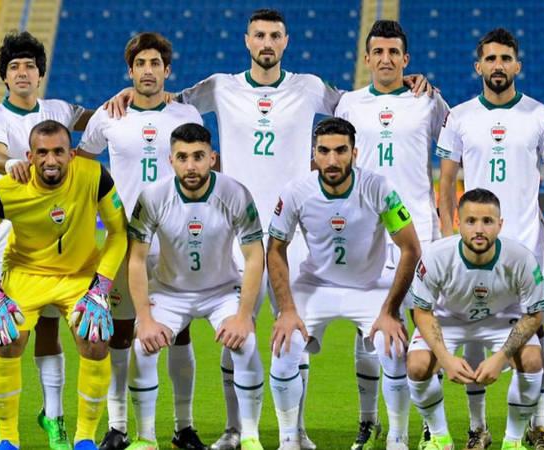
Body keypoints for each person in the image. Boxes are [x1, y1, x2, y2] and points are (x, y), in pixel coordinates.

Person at [104, 9, 431, 449]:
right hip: (235, 232)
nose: (267, 43)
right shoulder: (220, 86)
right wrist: (132, 92)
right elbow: (168, 98)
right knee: (234, 333)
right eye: (259, 35)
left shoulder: (310, 87)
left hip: (292, 236)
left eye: (275, 36)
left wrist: (405, 83)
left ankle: (295, 433)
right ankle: (235, 430)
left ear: (285, 41)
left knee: (292, 335)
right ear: (247, 40)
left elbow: (359, 101)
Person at [437, 28, 544, 449]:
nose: (498, 66)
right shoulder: (459, 116)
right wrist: (448, 238)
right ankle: (478, 428)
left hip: (528, 247)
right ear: (478, 66)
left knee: (535, 339)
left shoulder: (541, 115)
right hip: (475, 247)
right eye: (491, 59)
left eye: (506, 58)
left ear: (518, 65)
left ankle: (538, 426)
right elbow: (446, 184)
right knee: (474, 333)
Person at [0, 120, 128, 450]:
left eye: (58, 152)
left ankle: (84, 439)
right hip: (26, 274)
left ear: (72, 154)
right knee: (5, 340)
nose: (51, 160)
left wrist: (100, 288)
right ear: (30, 156)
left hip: (79, 275)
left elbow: (118, 231)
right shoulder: (6, 189)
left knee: (96, 341)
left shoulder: (94, 176)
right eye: (42, 153)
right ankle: (7, 439)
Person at [77, 32, 205, 450]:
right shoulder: (109, 115)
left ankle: (183, 427)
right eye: (140, 64)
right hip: (125, 241)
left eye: (155, 64)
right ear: (129, 71)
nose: (148, 71)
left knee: (179, 333)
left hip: (175, 241)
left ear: (168, 71)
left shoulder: (186, 115)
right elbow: (82, 163)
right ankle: (118, 427)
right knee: (119, 333)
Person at [267, 117, 420, 450]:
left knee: (393, 348)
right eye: (324, 151)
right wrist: (287, 310)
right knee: (285, 346)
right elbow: (275, 249)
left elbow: (410, 248)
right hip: (316, 285)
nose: (332, 160)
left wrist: (390, 311)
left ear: (355, 153)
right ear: (314, 154)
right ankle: (290, 439)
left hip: (370, 286)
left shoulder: (378, 188)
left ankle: (397, 438)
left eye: (340, 151)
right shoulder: (296, 192)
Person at [334, 19, 449, 449]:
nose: (386, 59)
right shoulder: (349, 104)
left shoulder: (427, 100)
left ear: (406, 59)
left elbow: (457, 144)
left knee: (423, 328)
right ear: (367, 59)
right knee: (368, 330)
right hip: (365, 234)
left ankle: (429, 424)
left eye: (393, 52)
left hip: (420, 232)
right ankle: (370, 422)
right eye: (378, 52)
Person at [0, 30, 92, 450]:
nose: (22, 72)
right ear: (5, 77)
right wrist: (11, 164)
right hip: (6, 240)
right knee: (2, 329)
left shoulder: (59, 109)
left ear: (40, 74)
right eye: (14, 67)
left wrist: (126, 102)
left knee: (49, 327)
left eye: (29, 66)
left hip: (54, 236)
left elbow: (97, 120)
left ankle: (53, 417)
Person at [125, 123, 265, 450]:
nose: (191, 166)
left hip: (221, 291)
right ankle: (146, 438)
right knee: (142, 347)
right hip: (169, 291)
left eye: (199, 157)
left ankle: (249, 436)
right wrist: (144, 319)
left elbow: (254, 256)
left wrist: (243, 316)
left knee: (245, 343)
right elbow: (136, 260)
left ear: (212, 158)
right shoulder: (152, 197)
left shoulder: (235, 193)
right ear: (170, 160)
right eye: (183, 157)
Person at [407, 188, 544, 450]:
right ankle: (439, 437)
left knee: (532, 359)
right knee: (417, 365)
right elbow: (422, 311)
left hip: (501, 318)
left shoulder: (521, 258)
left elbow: (534, 315)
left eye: (487, 221)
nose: (479, 229)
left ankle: (513, 441)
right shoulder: (436, 256)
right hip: (449, 319)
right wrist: (445, 359)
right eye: (471, 221)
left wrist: (501, 357)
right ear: (458, 223)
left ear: (500, 224)